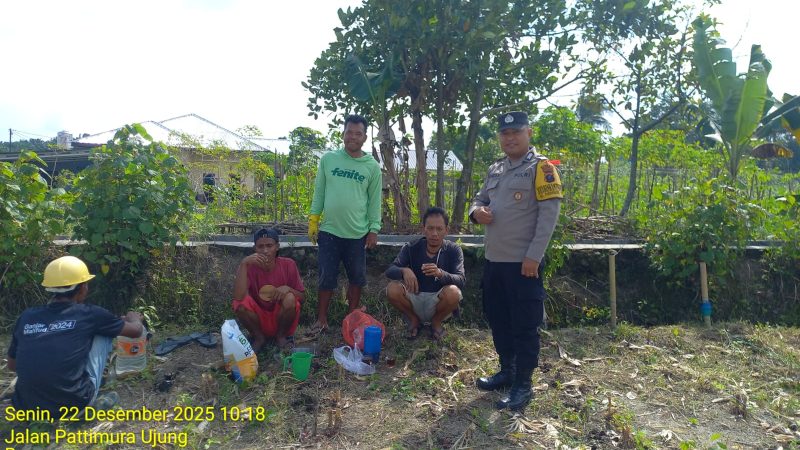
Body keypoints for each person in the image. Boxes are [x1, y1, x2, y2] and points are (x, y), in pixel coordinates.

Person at [469, 111, 563, 412]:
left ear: (528, 133)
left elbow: (549, 217)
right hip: (494, 262)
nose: (509, 138)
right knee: (498, 320)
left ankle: (523, 384)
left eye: (516, 132)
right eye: (504, 134)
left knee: (524, 325)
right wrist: (476, 213)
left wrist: (534, 256)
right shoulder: (496, 169)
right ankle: (507, 371)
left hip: (524, 264)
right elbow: (480, 199)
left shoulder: (543, 168)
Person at [7, 256, 144, 415]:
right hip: (74, 403)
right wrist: (133, 317)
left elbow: (12, 365)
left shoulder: (27, 317)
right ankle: (89, 403)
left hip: (26, 407)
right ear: (82, 288)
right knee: (103, 333)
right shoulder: (90, 314)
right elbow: (135, 331)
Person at [307, 114, 382, 334]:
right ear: (343, 134)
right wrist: (314, 219)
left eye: (358, 133)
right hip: (329, 231)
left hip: (357, 233)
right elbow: (319, 191)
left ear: (364, 138)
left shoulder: (372, 166)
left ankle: (352, 320)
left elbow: (374, 200)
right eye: (349, 132)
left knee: (357, 278)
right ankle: (321, 319)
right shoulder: (329, 160)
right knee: (326, 277)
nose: (353, 137)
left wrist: (373, 229)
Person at [384, 207, 465, 340]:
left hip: (438, 302)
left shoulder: (453, 250)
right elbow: (390, 270)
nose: (434, 233)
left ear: (446, 230)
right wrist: (404, 270)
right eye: (430, 228)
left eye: (439, 229)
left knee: (454, 292)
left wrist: (440, 274)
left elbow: (461, 280)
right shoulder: (411, 247)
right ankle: (413, 319)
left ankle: (436, 322)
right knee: (392, 289)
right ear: (423, 229)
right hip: (413, 299)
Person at [232, 228, 305, 352]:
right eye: (261, 246)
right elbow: (238, 298)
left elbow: (302, 298)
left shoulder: (288, 264)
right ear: (255, 249)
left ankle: (281, 337)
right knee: (240, 304)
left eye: (269, 245)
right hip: (259, 320)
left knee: (290, 298)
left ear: (277, 246)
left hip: (280, 319)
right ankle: (259, 338)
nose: (265, 251)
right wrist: (243, 264)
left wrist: (288, 289)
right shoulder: (249, 267)